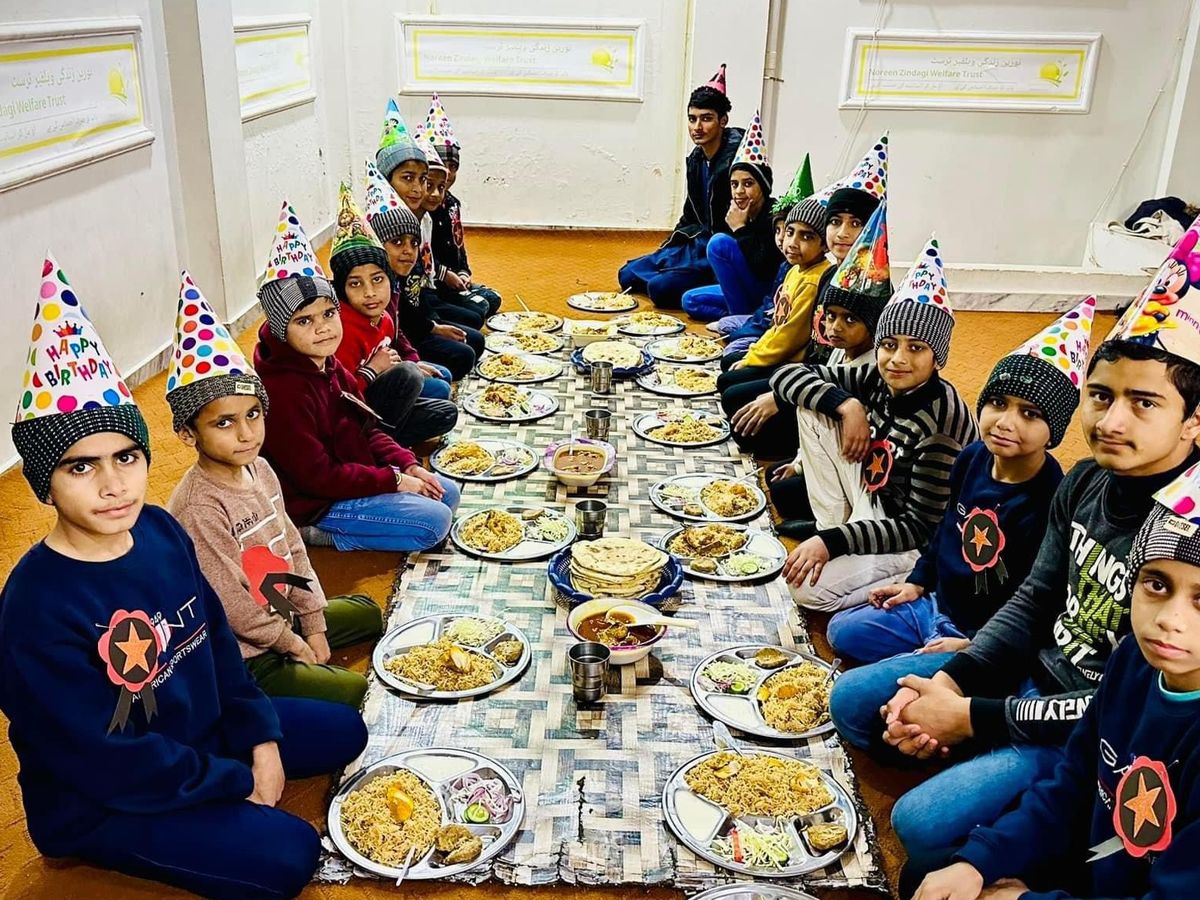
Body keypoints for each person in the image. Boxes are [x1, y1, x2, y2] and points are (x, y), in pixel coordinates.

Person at [841, 218, 1200, 890]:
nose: (1111, 421)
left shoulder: (1184, 536)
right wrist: (957, 681)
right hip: (1028, 677)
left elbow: (1121, 704)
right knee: (853, 702)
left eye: (1144, 403)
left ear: (1193, 420)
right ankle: (970, 763)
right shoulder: (1087, 482)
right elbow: (1034, 599)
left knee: (920, 829)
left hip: (1082, 726)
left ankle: (994, 787)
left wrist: (972, 716)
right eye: (1102, 396)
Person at [0, 254, 366, 899]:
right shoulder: (35, 607)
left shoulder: (160, 530)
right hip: (107, 793)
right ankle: (106, 838)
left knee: (346, 730)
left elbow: (218, 646)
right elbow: (100, 753)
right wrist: (233, 780)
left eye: (126, 457)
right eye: (81, 467)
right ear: (43, 483)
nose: (114, 486)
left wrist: (258, 736)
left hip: (198, 732)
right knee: (290, 855)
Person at [914, 460, 1200, 900]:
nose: (1170, 620)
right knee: (931, 875)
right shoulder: (1132, 660)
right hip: (1092, 865)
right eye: (1157, 585)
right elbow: (1072, 785)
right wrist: (982, 860)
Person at [825, 299, 1094, 663]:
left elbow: (1039, 599)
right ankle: (925, 656)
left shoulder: (1051, 499)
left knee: (859, 692)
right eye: (997, 403)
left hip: (980, 634)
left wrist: (976, 644)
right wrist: (917, 581)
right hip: (936, 604)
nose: (1005, 423)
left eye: (1030, 414)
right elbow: (946, 528)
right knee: (840, 631)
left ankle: (945, 668)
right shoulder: (972, 457)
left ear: (1054, 431)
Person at [165, 271, 383, 707]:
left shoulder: (260, 468)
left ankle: (301, 640)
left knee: (368, 613)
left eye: (253, 415)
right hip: (245, 647)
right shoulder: (199, 506)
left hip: (280, 608)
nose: (246, 434)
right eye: (224, 423)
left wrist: (313, 621)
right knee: (353, 693)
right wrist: (293, 644)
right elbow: (231, 604)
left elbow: (291, 547)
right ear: (189, 433)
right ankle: (260, 691)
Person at [771, 236, 978, 611]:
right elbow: (787, 376)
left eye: (916, 348)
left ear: (938, 358)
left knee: (805, 591)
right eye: (889, 344)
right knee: (813, 408)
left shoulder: (941, 424)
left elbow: (919, 527)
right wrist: (848, 405)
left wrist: (834, 544)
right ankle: (831, 528)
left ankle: (908, 578)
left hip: (914, 537)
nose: (898, 359)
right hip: (876, 495)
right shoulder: (878, 377)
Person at [253, 201, 460, 552]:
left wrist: (407, 465)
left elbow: (368, 428)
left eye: (328, 314)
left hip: (351, 471)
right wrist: (393, 481)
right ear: (280, 330)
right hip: (318, 501)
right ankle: (316, 534)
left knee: (447, 493)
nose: (322, 328)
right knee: (435, 523)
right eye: (304, 321)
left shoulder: (327, 363)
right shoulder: (282, 391)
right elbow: (319, 477)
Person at [721, 138, 888, 457]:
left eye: (856, 224)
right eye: (836, 222)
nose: (842, 233)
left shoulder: (873, 290)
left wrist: (782, 395)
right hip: (809, 376)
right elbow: (810, 347)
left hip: (838, 394)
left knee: (740, 412)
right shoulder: (828, 275)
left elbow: (851, 373)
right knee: (733, 390)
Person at [768, 224, 893, 537]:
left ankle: (833, 530)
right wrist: (799, 464)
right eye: (830, 315)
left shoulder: (877, 367)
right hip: (838, 458)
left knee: (788, 492)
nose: (834, 327)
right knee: (778, 481)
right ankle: (829, 523)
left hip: (868, 470)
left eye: (850, 319)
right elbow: (788, 377)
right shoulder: (839, 351)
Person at [328, 182, 457, 445]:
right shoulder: (341, 331)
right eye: (355, 284)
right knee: (412, 377)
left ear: (389, 280)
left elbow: (396, 345)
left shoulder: (384, 317)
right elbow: (340, 399)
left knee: (446, 410)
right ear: (342, 290)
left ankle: (384, 435)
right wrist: (375, 370)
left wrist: (408, 363)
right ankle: (374, 443)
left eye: (377, 280)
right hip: (352, 415)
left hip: (381, 396)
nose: (369, 293)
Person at [617, 64, 744, 308]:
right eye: (692, 119)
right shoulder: (696, 159)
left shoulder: (739, 164)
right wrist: (667, 251)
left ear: (723, 121)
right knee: (627, 275)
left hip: (719, 251)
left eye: (706, 119)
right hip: (695, 245)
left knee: (659, 289)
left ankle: (707, 284)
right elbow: (689, 216)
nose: (697, 127)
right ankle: (678, 274)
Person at [717, 195, 832, 457]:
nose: (792, 243)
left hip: (791, 364)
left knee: (731, 391)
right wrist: (751, 354)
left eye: (806, 237)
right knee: (729, 367)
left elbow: (789, 338)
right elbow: (776, 325)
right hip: (780, 356)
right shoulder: (794, 270)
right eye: (790, 232)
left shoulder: (813, 280)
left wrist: (751, 360)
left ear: (824, 244)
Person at [364, 159, 479, 379]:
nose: (408, 251)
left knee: (474, 332)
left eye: (414, 243)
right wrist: (430, 331)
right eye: (397, 242)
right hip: (384, 356)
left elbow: (406, 312)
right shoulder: (376, 281)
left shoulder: (424, 228)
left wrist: (432, 328)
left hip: (411, 331)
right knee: (459, 360)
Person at [681, 110, 783, 321]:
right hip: (744, 289)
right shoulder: (735, 210)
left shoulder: (775, 215)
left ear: (763, 186)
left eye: (748, 184)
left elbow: (764, 269)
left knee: (719, 243)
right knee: (689, 300)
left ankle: (738, 319)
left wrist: (740, 229)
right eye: (734, 184)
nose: (739, 191)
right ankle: (748, 318)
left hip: (767, 291)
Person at [422, 92, 502, 316]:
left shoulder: (452, 205)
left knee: (493, 298)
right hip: (434, 283)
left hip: (454, 278)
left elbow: (459, 245)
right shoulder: (422, 210)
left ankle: (461, 298)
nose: (448, 173)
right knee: (481, 307)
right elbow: (421, 257)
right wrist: (445, 275)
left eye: (453, 166)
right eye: (442, 165)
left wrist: (464, 272)